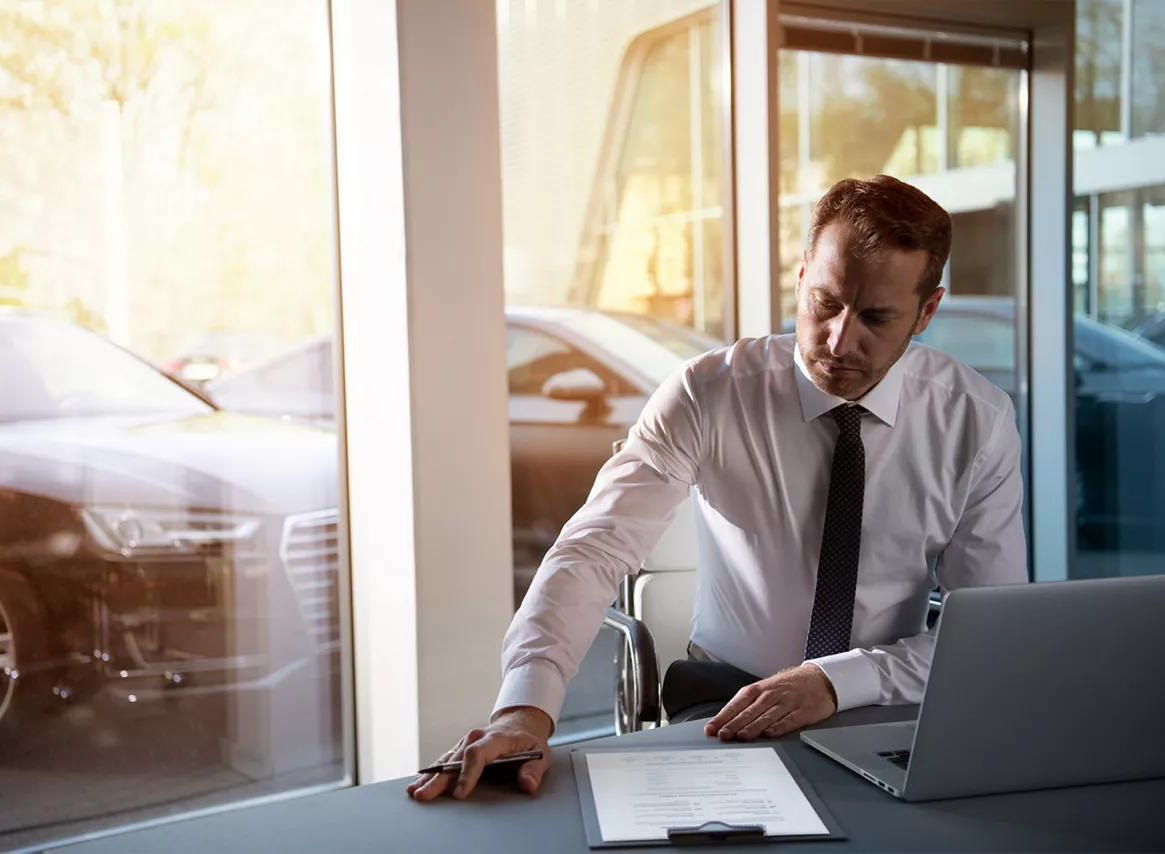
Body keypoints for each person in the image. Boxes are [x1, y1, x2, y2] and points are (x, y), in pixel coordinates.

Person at [408, 174, 1026, 803]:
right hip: (726, 698)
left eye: (875, 317)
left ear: (927, 311)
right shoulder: (709, 391)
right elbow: (593, 549)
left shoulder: (976, 421)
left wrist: (837, 682)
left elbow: (991, 634)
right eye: (825, 303)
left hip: (885, 703)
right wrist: (525, 709)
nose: (839, 341)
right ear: (803, 271)